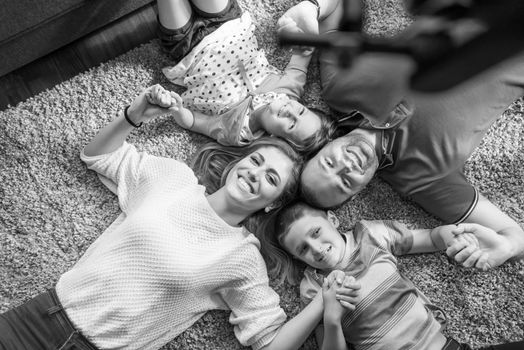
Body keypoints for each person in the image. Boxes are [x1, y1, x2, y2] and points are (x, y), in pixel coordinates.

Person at [0, 85, 360, 350]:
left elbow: (272, 344)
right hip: (40, 314)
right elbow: (98, 156)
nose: (255, 173)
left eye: (270, 179)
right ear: (238, 161)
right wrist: (134, 114)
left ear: (271, 204)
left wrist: (320, 305)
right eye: (255, 161)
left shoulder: (242, 259)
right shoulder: (172, 178)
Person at [277, 0, 524, 267]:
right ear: (359, 191)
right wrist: (509, 245)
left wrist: (311, 8)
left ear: (326, 144)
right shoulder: (421, 181)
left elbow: (337, 8)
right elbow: (512, 235)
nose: (345, 165)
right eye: (345, 182)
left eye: (329, 163)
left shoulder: (340, 90)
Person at [265, 200, 524, 350]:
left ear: (332, 220)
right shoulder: (314, 287)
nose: (316, 249)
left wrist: (450, 235)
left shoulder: (368, 234)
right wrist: (332, 319)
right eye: (302, 249)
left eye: (316, 232)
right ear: (297, 259)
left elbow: (429, 238)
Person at [156, 0, 335, 154]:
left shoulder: (236, 132)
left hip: (187, 48)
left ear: (277, 140)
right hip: (226, 23)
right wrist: (301, 32)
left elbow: (194, 122)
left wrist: (177, 109)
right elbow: (304, 53)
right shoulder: (290, 90)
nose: (291, 111)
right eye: (301, 111)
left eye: (291, 124)